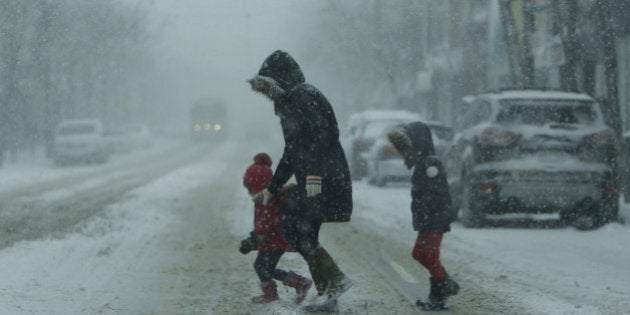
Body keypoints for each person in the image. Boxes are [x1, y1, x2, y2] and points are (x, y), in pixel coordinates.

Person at [247, 50, 353, 312]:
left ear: (280, 80)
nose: (268, 94)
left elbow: (320, 138)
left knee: (296, 228)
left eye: (269, 87)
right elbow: (292, 151)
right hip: (318, 177)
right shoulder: (293, 100)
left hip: (324, 177)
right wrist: (272, 188)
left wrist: (315, 175)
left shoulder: (302, 96)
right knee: (304, 232)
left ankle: (336, 280)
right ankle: (328, 298)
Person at [387, 121, 460, 310]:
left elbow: (436, 194)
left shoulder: (430, 164)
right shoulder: (423, 162)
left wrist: (429, 216)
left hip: (434, 219)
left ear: (417, 143)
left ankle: (439, 294)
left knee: (429, 255)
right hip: (427, 220)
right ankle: (445, 283)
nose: (402, 152)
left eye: (406, 146)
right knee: (419, 254)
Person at [239, 152, 313, 304]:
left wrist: (253, 239)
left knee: (262, 266)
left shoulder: (268, 200)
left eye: (250, 186)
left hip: (274, 238)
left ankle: (291, 286)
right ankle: (296, 283)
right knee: (265, 267)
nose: (249, 191)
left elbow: (266, 223)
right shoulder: (271, 196)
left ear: (257, 184)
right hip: (274, 238)